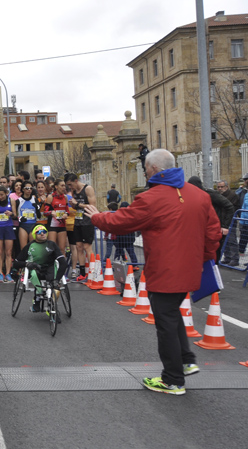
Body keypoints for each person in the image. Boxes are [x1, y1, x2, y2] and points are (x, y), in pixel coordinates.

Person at [85, 149, 220, 395]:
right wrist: (205, 259)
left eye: (145, 168)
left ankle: (173, 379)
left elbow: (121, 222)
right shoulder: (199, 195)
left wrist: (97, 217)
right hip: (191, 267)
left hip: (164, 269)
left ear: (154, 169)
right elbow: (213, 231)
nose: (145, 172)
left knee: (165, 321)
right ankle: (186, 360)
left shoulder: (151, 198)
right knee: (172, 313)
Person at [12, 224, 68, 315]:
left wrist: (57, 280)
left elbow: (63, 263)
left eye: (44, 232)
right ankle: (37, 298)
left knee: (55, 286)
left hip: (49, 268)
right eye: (39, 232)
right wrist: (27, 264)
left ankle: (53, 305)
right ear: (34, 235)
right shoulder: (30, 246)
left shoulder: (52, 245)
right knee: (35, 275)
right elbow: (16, 263)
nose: (42, 234)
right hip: (35, 269)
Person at [188, 176, 234, 264]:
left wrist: (225, 226)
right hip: (203, 227)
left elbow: (229, 206)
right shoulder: (195, 195)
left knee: (214, 252)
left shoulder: (210, 194)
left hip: (215, 227)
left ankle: (214, 268)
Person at [67, 173, 97, 282]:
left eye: (70, 184)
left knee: (87, 247)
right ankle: (83, 273)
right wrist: (73, 204)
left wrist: (78, 204)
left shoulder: (88, 189)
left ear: (76, 181)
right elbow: (76, 206)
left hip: (87, 221)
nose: (70, 187)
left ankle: (93, 272)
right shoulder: (74, 191)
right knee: (79, 247)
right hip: (78, 221)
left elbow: (92, 206)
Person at [15, 181, 40, 249]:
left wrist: (37, 208)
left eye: (31, 188)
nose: (29, 190)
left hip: (33, 225)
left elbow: (39, 216)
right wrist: (19, 218)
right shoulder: (18, 201)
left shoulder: (35, 200)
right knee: (24, 248)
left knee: (33, 248)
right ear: (23, 189)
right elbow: (13, 215)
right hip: (23, 226)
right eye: (27, 188)